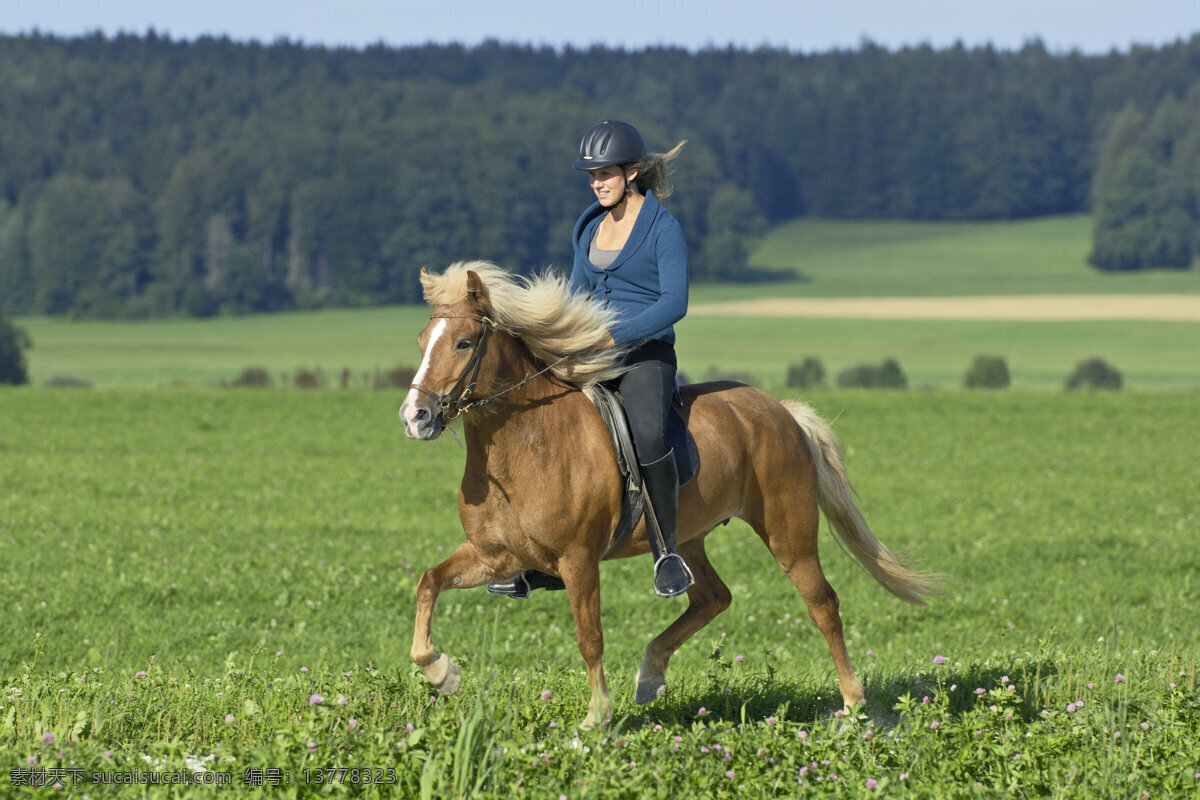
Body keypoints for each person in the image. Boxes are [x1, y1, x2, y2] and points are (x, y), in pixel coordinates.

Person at [489, 119, 695, 600]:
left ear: (633, 173)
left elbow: (675, 302)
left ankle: (667, 551)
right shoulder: (587, 227)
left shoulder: (663, 229)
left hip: (645, 354)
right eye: (591, 175)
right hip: (590, 350)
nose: (596, 182)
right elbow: (579, 294)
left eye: (605, 173)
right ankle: (541, 555)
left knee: (647, 432)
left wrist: (614, 335)